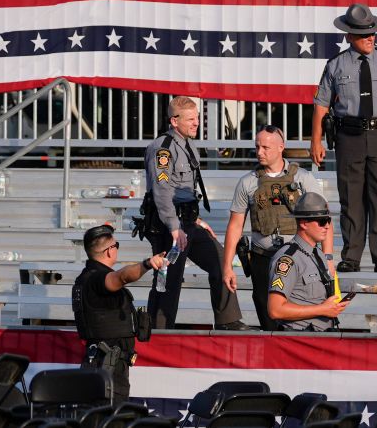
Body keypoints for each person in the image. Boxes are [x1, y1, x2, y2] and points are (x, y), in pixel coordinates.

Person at [311, 3, 377, 274]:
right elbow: (321, 105)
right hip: (349, 137)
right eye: (363, 34)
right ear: (349, 36)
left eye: (372, 33)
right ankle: (351, 257)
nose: (370, 38)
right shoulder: (335, 65)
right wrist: (316, 140)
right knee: (351, 199)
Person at [143, 96, 251, 330]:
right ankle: (158, 331)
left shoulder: (188, 144)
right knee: (168, 278)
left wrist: (195, 220)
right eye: (190, 119)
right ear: (174, 121)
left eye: (197, 118)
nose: (196, 123)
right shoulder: (163, 149)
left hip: (188, 222)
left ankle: (228, 320)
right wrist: (174, 227)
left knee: (221, 260)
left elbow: (186, 191)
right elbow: (162, 193)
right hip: (168, 227)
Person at [222, 125, 335, 330]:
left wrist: (327, 258)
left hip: (299, 259)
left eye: (265, 147)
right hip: (262, 257)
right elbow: (235, 225)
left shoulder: (303, 178)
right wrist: (227, 265)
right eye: (257, 147)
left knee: (299, 318)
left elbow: (325, 219)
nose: (259, 152)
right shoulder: (247, 182)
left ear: (281, 147)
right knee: (268, 320)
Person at [73, 224, 165, 403]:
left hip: (105, 364)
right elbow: (121, 277)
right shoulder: (96, 278)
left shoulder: (87, 277)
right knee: (110, 417)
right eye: (116, 246)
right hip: (108, 367)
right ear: (109, 251)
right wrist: (147, 264)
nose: (116, 250)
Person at [267, 193, 349, 331]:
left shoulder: (318, 254)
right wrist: (322, 309)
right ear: (304, 223)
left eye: (328, 220)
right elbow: (275, 310)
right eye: (322, 221)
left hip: (320, 336)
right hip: (299, 340)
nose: (327, 226)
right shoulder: (288, 260)